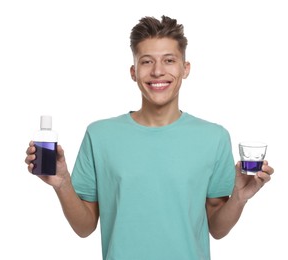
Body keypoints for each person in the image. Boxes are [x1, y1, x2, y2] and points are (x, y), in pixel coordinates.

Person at [25, 15, 274, 260]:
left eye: (169, 60)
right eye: (146, 62)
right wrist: (63, 183)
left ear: (185, 68)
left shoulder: (214, 137)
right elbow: (84, 227)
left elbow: (217, 229)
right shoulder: (100, 135)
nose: (157, 71)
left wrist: (239, 198)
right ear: (133, 72)